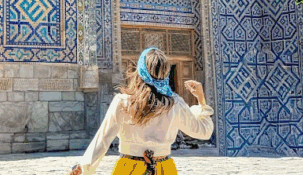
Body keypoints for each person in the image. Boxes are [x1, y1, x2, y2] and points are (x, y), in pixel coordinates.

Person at [68, 47, 214, 175]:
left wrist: (84, 167)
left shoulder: (123, 102)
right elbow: (203, 131)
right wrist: (201, 100)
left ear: (140, 71)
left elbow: (103, 139)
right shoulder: (175, 103)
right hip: (164, 169)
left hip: (129, 168)